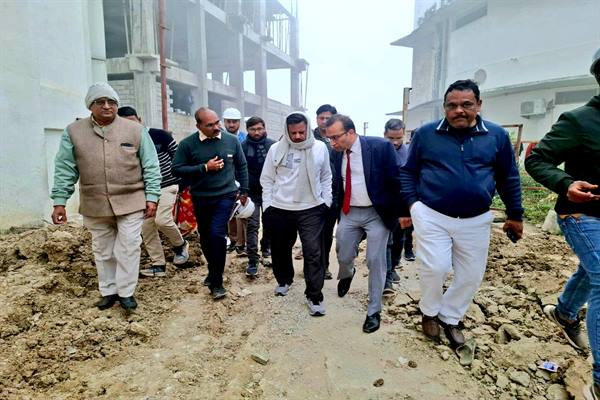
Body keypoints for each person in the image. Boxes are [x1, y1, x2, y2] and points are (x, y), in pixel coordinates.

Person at [400, 79, 523, 348]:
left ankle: (450, 317)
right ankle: (429, 312)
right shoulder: (426, 134)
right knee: (435, 267)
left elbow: (508, 177)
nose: (459, 110)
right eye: (452, 105)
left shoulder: (496, 135)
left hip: (476, 220)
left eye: (466, 104)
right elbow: (408, 171)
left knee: (471, 275)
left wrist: (515, 214)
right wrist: (412, 205)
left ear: (478, 105)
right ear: (444, 107)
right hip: (432, 214)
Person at [525, 49, 600, 400]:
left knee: (591, 268)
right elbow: (537, 160)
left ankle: (566, 314)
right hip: (580, 215)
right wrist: (565, 182)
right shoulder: (579, 120)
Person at [51, 83, 161, 310]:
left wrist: (152, 196)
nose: (107, 106)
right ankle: (109, 290)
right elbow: (65, 168)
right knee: (103, 249)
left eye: (111, 102)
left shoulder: (135, 130)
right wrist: (60, 201)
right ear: (90, 106)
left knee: (129, 246)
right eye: (100, 102)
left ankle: (126, 292)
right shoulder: (74, 131)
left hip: (131, 199)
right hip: (95, 202)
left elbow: (151, 166)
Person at [325, 114, 403, 333]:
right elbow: (335, 184)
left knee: (375, 260)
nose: (332, 143)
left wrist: (402, 212)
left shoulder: (380, 147)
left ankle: (373, 311)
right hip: (349, 212)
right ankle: (347, 274)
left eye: (335, 137)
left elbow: (397, 179)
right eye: (329, 138)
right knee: (342, 253)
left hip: (376, 213)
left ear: (350, 132)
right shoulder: (336, 153)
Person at [172, 107, 249, 300]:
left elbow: (241, 165)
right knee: (205, 236)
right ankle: (213, 269)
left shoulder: (231, 141)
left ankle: (217, 282)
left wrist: (244, 190)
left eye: (217, 123)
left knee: (217, 234)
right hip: (201, 197)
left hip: (225, 196)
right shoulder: (188, 144)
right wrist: (204, 167)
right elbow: (176, 169)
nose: (216, 127)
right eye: (210, 125)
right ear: (198, 126)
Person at [260, 112, 332, 316]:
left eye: (302, 132)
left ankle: (314, 296)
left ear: (307, 128)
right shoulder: (276, 149)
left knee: (313, 252)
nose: (298, 136)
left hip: (312, 208)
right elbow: (267, 179)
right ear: (287, 131)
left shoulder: (320, 148)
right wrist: (268, 205)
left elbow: (326, 176)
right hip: (280, 208)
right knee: (280, 249)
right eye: (293, 133)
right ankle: (284, 280)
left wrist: (326, 201)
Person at [117, 106, 189, 277]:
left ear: (140, 120)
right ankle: (158, 265)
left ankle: (180, 245)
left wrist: (183, 183)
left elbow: (179, 158)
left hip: (168, 185)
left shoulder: (160, 135)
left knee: (162, 220)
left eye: (132, 122)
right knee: (146, 227)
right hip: (145, 190)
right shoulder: (123, 144)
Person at [382, 118, 414, 295]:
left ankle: (393, 266)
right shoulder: (378, 150)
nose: (395, 142)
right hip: (384, 203)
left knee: (399, 239)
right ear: (384, 134)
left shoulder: (410, 153)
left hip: (403, 204)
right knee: (386, 240)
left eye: (398, 138)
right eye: (391, 138)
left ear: (404, 135)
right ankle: (386, 278)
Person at [241, 116, 276, 277]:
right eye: (253, 129)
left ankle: (266, 246)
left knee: (270, 223)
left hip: (271, 192)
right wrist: (242, 191)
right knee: (253, 225)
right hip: (250, 193)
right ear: (247, 130)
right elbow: (238, 169)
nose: (256, 132)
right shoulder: (242, 147)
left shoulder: (273, 146)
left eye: (259, 129)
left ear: (264, 128)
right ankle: (253, 260)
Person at [313, 104, 338, 279]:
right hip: (313, 194)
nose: (324, 121)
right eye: (321, 118)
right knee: (312, 233)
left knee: (327, 233)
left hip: (335, 193)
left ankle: (324, 265)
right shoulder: (309, 138)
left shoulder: (338, 138)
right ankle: (312, 266)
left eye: (328, 118)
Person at [222, 107, 248, 255]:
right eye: (228, 121)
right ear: (224, 122)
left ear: (239, 122)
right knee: (229, 213)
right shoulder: (219, 138)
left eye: (234, 122)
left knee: (243, 213)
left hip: (241, 179)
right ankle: (233, 240)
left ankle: (243, 243)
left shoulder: (245, 138)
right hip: (226, 181)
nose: (231, 124)